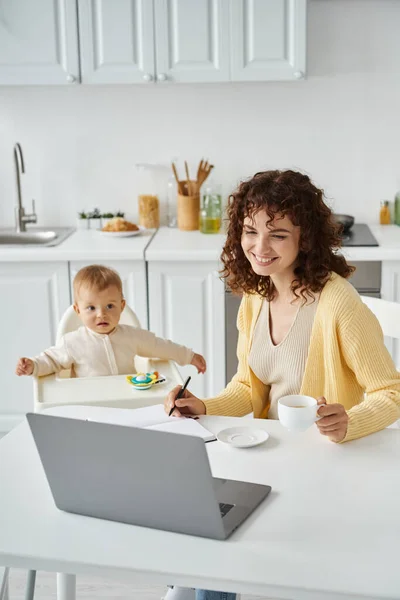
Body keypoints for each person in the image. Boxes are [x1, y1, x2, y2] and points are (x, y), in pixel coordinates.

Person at [163, 169, 400, 600]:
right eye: (250, 232)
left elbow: (391, 392)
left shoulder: (338, 303)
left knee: (215, 548)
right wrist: (204, 406)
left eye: (277, 234)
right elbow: (248, 389)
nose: (259, 247)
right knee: (204, 538)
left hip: (322, 467)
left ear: (304, 238)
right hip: (268, 455)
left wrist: (350, 421)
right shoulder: (255, 298)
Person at [16, 264, 206, 378]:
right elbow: (50, 360)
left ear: (122, 306)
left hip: (128, 403)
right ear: (78, 311)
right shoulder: (72, 342)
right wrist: (32, 365)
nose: (101, 314)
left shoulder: (131, 336)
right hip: (90, 407)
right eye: (91, 308)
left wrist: (188, 356)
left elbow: (159, 346)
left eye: (109, 306)